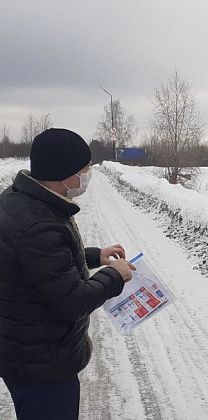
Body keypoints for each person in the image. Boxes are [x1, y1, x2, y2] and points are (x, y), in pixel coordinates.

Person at [0, 128, 135, 420]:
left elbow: (40, 264)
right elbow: (74, 300)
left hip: (24, 352)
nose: (87, 175)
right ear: (65, 174)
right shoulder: (40, 223)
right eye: (84, 170)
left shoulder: (22, 200)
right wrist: (115, 275)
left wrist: (94, 256)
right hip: (42, 363)